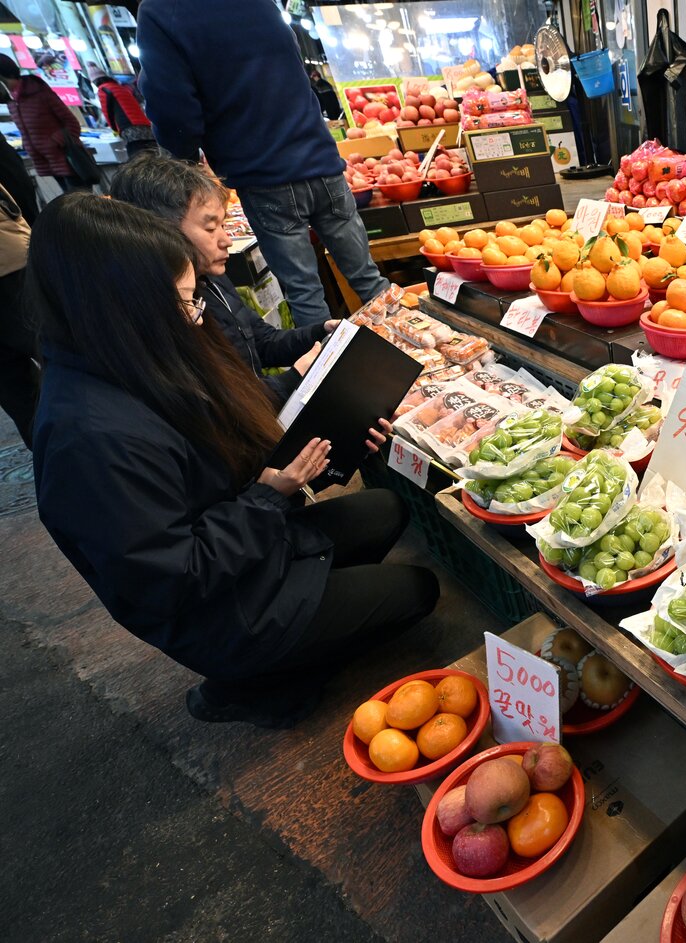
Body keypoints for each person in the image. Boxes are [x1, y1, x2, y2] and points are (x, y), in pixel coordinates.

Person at [29, 194, 440, 728]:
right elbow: (171, 579)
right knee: (418, 592)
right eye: (182, 304)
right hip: (224, 609)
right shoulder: (86, 440)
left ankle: (303, 630)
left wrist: (320, 396)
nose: (196, 316)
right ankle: (259, 684)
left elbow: (219, 422)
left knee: (385, 508)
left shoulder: (132, 360)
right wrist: (271, 495)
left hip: (254, 554)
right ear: (123, 308)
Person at [136, 0, 390, 328]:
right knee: (370, 280)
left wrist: (184, 161)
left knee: (305, 294)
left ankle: (331, 372)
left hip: (264, 174)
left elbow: (172, 106)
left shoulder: (161, 10)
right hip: (321, 161)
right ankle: (419, 357)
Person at [109, 152, 331, 406]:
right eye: (211, 228)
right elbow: (218, 405)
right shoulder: (166, 313)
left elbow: (262, 342)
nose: (226, 240)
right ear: (161, 233)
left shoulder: (213, 280)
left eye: (223, 225)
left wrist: (320, 332)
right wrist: (293, 379)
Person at [0, 54, 86, 192]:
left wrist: (54, 142)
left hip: (68, 160)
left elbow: (72, 124)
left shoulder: (39, 92)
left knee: (82, 204)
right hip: (47, 163)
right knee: (70, 203)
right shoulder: (12, 101)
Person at [0, 182, 36, 446]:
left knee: (12, 384)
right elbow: (18, 187)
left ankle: (48, 451)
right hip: (10, 264)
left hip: (10, 259)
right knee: (64, 354)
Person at [88, 63, 158, 156]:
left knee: (137, 157)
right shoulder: (119, 87)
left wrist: (114, 130)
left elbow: (107, 112)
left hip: (129, 126)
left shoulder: (103, 89)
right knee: (153, 152)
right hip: (145, 124)